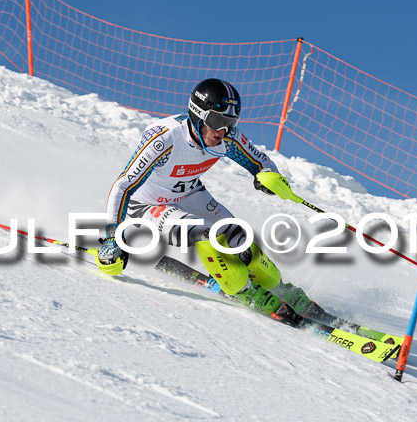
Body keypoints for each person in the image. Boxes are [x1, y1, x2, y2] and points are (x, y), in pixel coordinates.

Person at [97, 78, 308, 325]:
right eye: (217, 121)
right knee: (206, 233)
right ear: (197, 115)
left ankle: (278, 287)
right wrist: (113, 238)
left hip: (189, 193)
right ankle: (244, 291)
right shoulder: (164, 139)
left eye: (230, 122)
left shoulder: (227, 138)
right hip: (148, 205)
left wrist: (268, 178)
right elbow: (123, 185)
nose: (222, 130)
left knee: (239, 239)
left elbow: (261, 163)